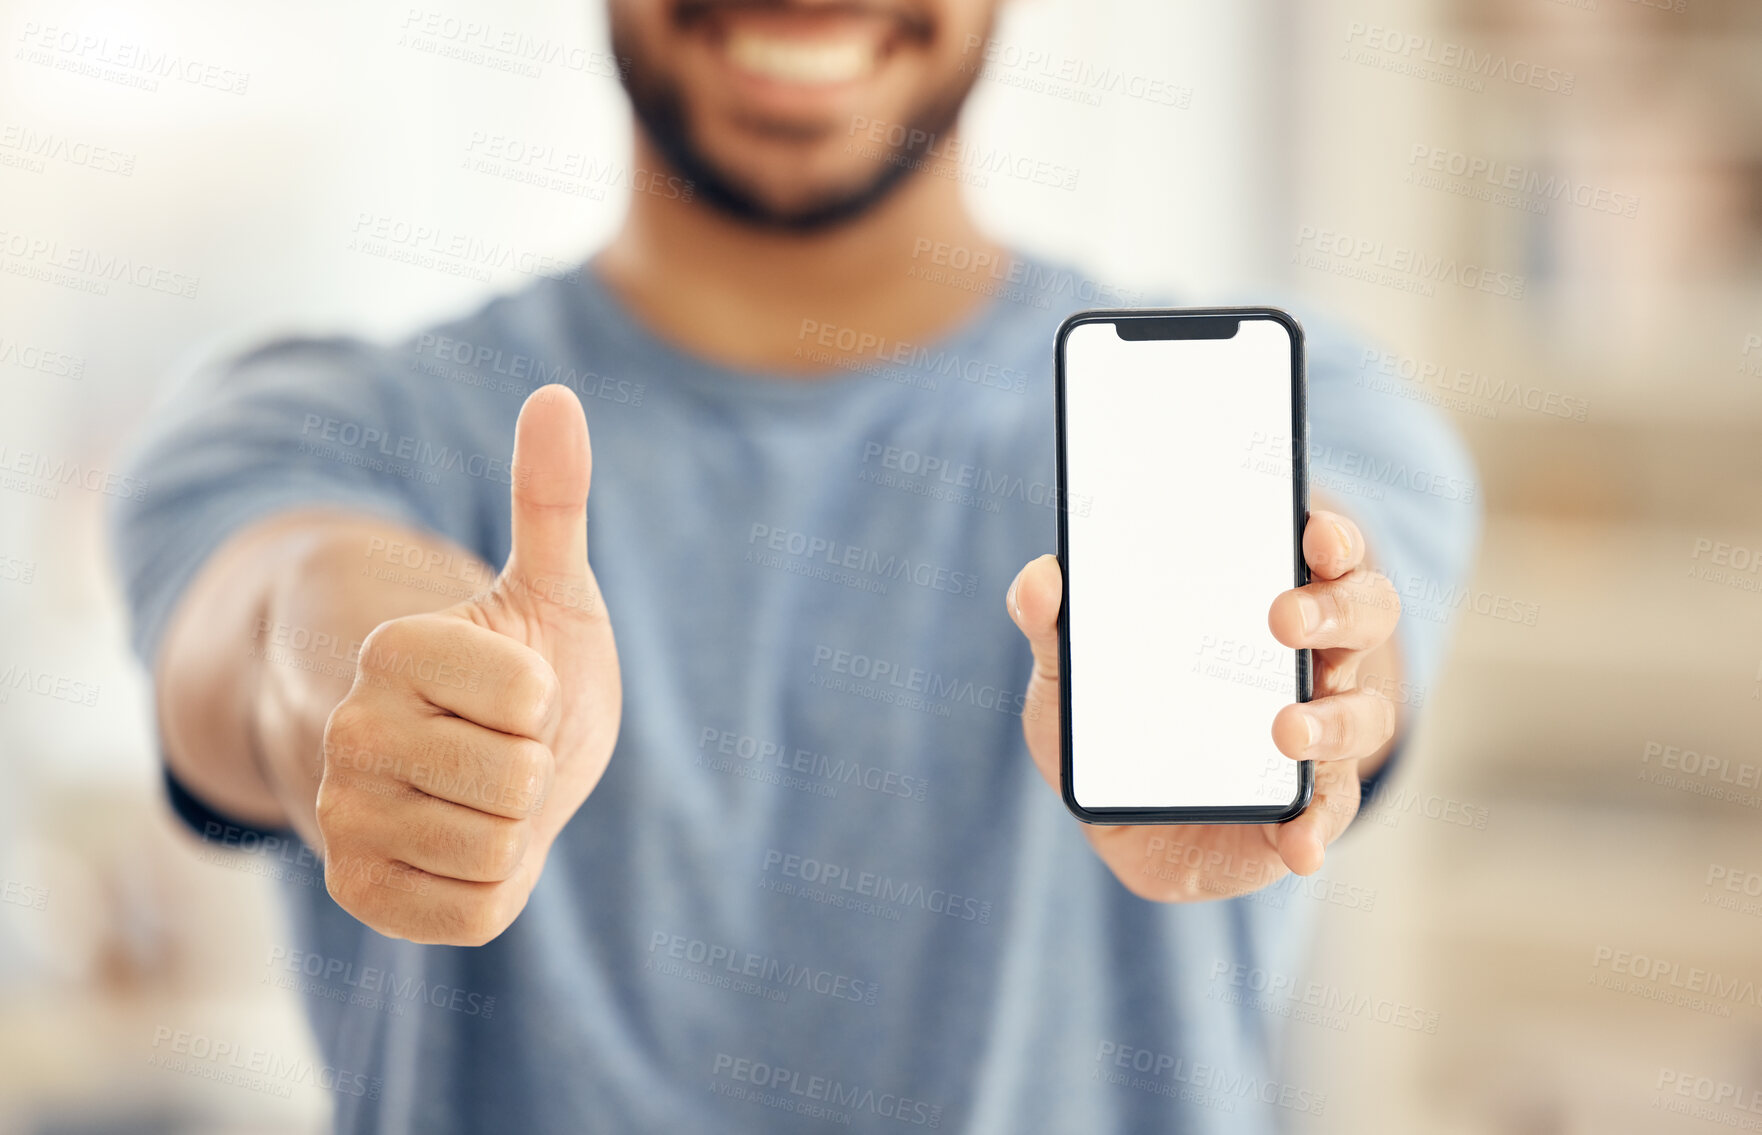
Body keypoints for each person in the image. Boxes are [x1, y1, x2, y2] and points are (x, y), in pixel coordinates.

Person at [112, 0, 1477, 1130]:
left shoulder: (1288, 420)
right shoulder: (338, 420)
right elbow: (274, 612)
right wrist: (393, 688)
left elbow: (1359, 624)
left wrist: (1316, 667)